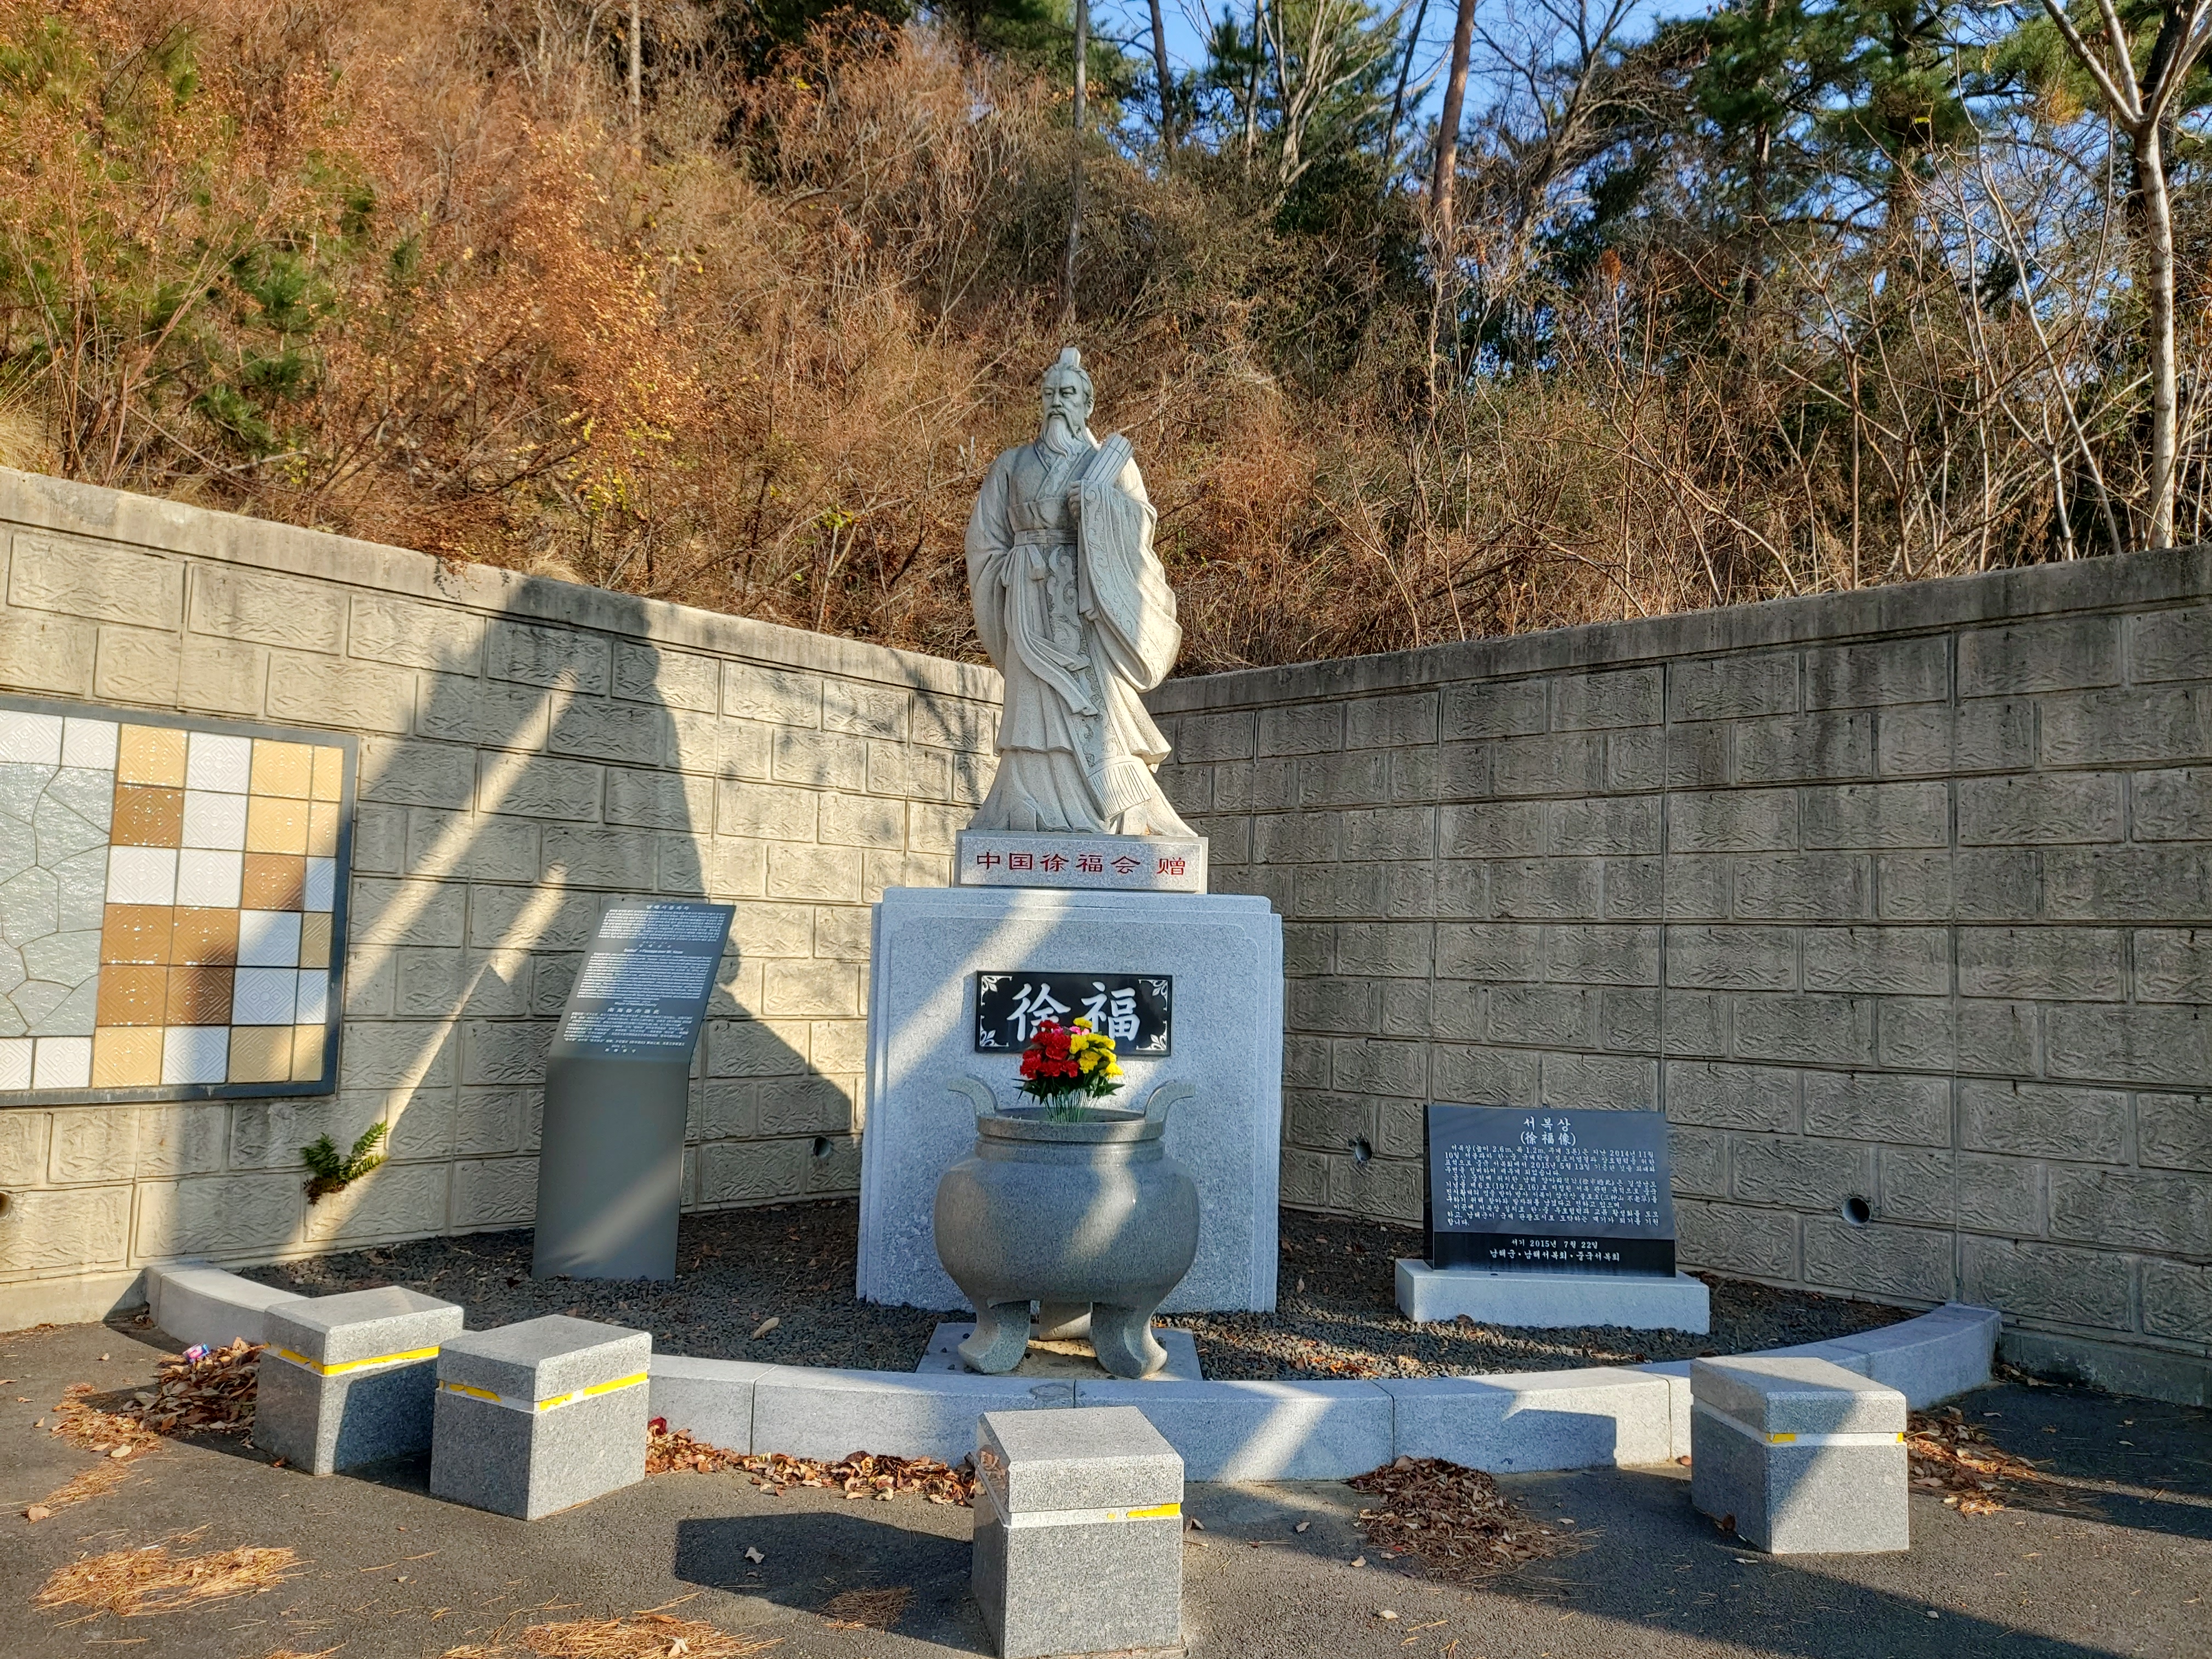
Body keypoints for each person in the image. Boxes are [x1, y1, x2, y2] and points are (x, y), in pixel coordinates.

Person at [963, 348, 1192, 836]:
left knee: (1099, 698)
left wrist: (1098, 504)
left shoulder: (1110, 465)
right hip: (1028, 601)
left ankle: (1119, 804)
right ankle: (1024, 802)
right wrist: (1010, 574)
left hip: (1089, 600)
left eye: (1067, 394)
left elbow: (1142, 525)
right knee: (1033, 705)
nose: (1056, 403)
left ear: (1087, 405)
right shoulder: (1011, 465)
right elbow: (985, 539)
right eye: (1049, 394)